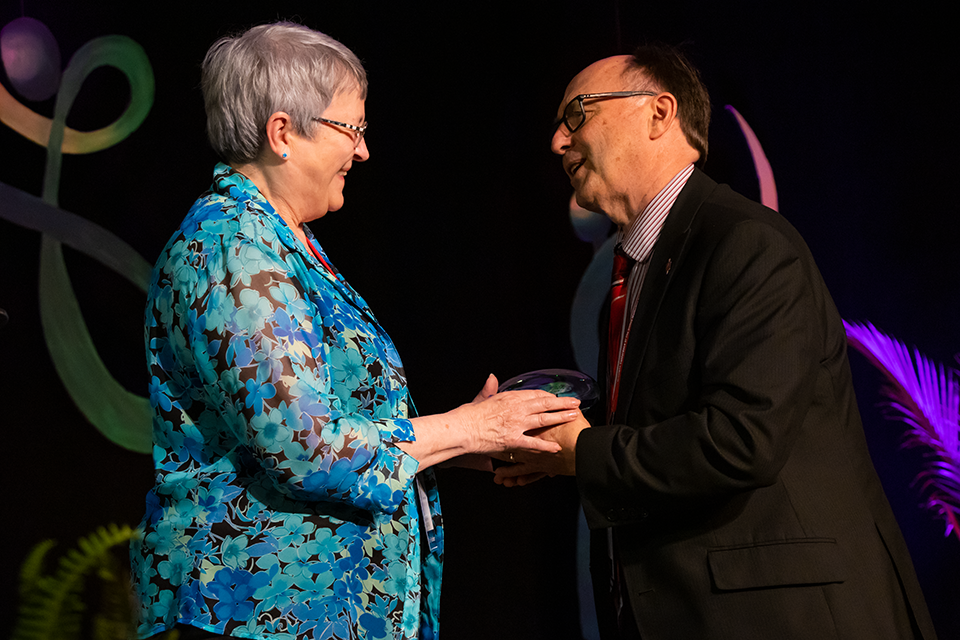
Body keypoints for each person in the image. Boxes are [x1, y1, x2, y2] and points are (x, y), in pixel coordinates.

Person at [129, 22, 580, 640]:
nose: (363, 151)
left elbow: (330, 433)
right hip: (253, 614)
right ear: (282, 132)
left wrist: (462, 443)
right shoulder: (235, 252)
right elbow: (307, 451)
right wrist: (467, 427)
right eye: (352, 129)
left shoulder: (283, 244)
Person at [494, 44, 938, 639]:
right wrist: (534, 428)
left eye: (578, 113)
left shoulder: (748, 244)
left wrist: (587, 452)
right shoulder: (637, 270)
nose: (557, 141)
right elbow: (665, 419)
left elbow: (742, 438)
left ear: (659, 113)